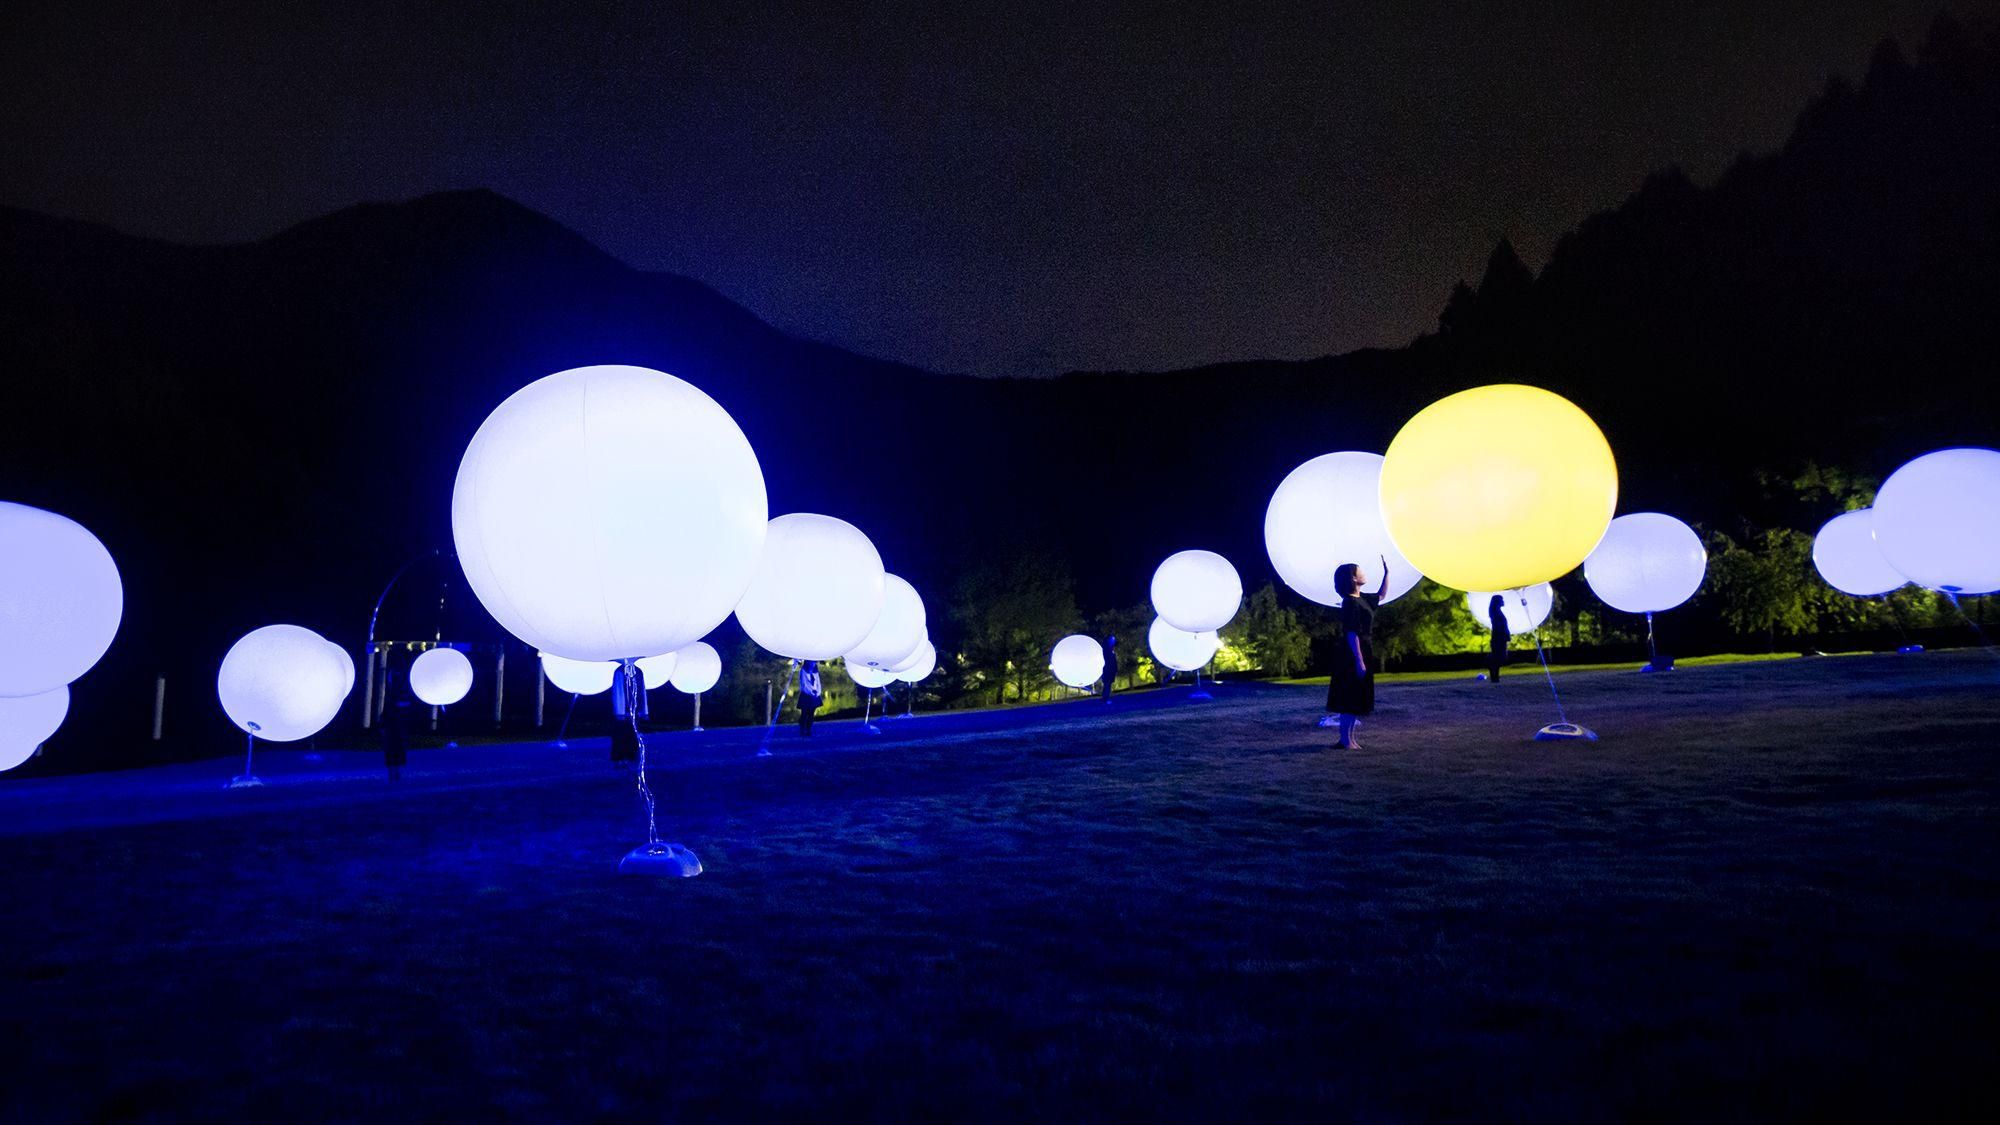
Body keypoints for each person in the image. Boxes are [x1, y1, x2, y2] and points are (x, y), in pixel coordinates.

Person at [1325, 556, 1388, 749]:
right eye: (1360, 571)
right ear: (1353, 578)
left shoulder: (1362, 599)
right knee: (1349, 696)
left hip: (1364, 648)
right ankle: (1345, 740)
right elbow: (1352, 633)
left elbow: (1381, 595)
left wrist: (1387, 573)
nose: (1364, 573)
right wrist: (1359, 660)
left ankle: (1350, 739)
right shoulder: (1350, 603)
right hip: (1352, 652)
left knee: (1356, 696)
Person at [379, 668, 409, 781]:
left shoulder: (395, 693)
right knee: (393, 749)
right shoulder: (394, 694)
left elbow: (398, 705)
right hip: (393, 725)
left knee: (394, 749)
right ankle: (394, 773)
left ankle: (394, 773)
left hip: (395, 725)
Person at [1487, 594, 1511, 682]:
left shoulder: (1496, 612)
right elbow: (1500, 626)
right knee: (1498, 657)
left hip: (1498, 637)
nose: (1503, 601)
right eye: (1502, 600)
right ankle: (1494, 676)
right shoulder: (1497, 613)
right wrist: (1505, 635)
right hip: (1499, 638)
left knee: (1498, 657)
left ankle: (1495, 676)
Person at [798, 660, 823, 737]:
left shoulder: (815, 672)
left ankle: (808, 729)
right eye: (812, 662)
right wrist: (811, 692)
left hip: (815, 695)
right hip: (806, 695)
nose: (813, 664)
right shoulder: (803, 671)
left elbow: (818, 683)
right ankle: (802, 729)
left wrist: (818, 692)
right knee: (804, 713)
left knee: (811, 713)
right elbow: (804, 684)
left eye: (814, 662)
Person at [1101, 634, 1118, 704]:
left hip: (1109, 670)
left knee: (1107, 685)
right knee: (1107, 685)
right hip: (1108, 670)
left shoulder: (1109, 650)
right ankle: (1106, 698)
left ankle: (1104, 698)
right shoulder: (1108, 651)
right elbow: (1111, 661)